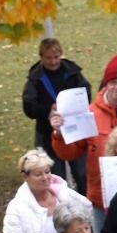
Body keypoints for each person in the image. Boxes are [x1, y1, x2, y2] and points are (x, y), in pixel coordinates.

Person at [48, 55, 117, 220]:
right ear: (106, 84)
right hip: (100, 201)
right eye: (113, 82)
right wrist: (58, 134)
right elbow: (68, 154)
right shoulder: (89, 113)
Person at [22, 38, 91, 189]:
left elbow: (86, 92)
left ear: (61, 55)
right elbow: (29, 107)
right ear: (41, 57)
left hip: (75, 132)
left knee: (82, 174)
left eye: (56, 57)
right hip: (48, 134)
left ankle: (85, 207)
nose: (53, 62)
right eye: (48, 58)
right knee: (56, 178)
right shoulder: (36, 77)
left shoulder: (72, 72)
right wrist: (49, 109)